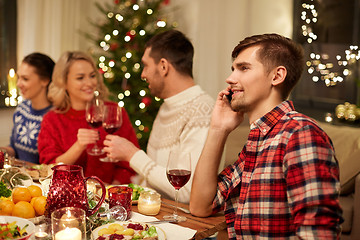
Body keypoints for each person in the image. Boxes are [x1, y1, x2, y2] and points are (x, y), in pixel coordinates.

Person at [190, 33, 343, 239]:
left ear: (277, 76)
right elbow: (201, 205)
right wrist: (218, 129)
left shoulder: (299, 134)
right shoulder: (259, 140)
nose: (230, 78)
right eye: (233, 69)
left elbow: (318, 235)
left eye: (244, 68)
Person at [103, 30, 215, 203]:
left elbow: (186, 192)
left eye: (146, 66)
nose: (143, 74)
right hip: (157, 213)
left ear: (163, 66)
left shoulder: (202, 109)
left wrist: (132, 155)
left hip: (183, 221)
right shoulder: (166, 106)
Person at [38, 51, 138, 184]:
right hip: (68, 197)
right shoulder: (52, 120)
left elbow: (129, 163)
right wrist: (78, 146)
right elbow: (49, 168)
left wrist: (112, 192)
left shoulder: (114, 112)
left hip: (109, 198)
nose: (89, 83)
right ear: (64, 82)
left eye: (92, 76)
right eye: (80, 78)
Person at [0, 53, 55, 163]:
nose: (19, 84)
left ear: (45, 81)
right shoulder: (22, 108)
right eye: (18, 77)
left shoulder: (54, 117)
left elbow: (51, 163)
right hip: (20, 177)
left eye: (25, 79)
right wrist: (2, 151)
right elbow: (14, 149)